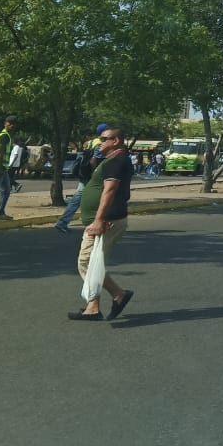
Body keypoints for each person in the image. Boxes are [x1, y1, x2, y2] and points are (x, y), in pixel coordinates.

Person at [68, 124, 135, 322]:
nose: (100, 142)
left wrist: (98, 219)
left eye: (104, 139)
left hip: (106, 221)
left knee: (86, 262)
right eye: (100, 138)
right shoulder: (110, 160)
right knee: (92, 262)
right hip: (104, 220)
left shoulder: (117, 160)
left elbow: (110, 190)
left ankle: (118, 295)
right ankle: (93, 307)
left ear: (116, 141)